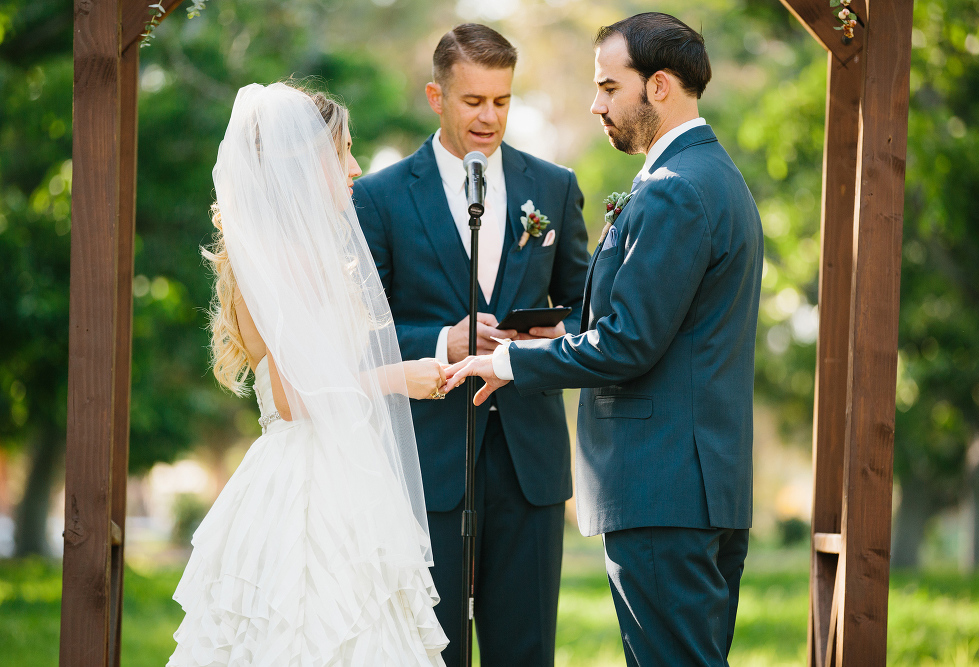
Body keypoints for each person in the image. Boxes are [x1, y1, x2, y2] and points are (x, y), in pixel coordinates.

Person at [446, 13, 764, 666]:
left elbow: (628, 346)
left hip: (663, 489)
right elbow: (661, 330)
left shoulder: (675, 190)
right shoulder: (715, 176)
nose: (596, 104)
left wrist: (510, 359)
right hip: (703, 484)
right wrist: (572, 332)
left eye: (609, 86)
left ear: (659, 86)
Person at [167, 82, 449, 666]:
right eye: (342, 151)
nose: (355, 166)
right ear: (305, 164)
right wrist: (400, 377)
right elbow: (295, 399)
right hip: (307, 484)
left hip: (324, 465)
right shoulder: (284, 260)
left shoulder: (278, 251)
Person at [353, 24, 591, 666]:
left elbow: (584, 312)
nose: (490, 117)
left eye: (502, 101)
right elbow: (358, 334)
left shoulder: (555, 188)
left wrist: (551, 334)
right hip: (428, 462)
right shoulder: (378, 197)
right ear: (436, 96)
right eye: (473, 101)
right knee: (433, 650)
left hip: (528, 461)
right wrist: (442, 340)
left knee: (526, 649)